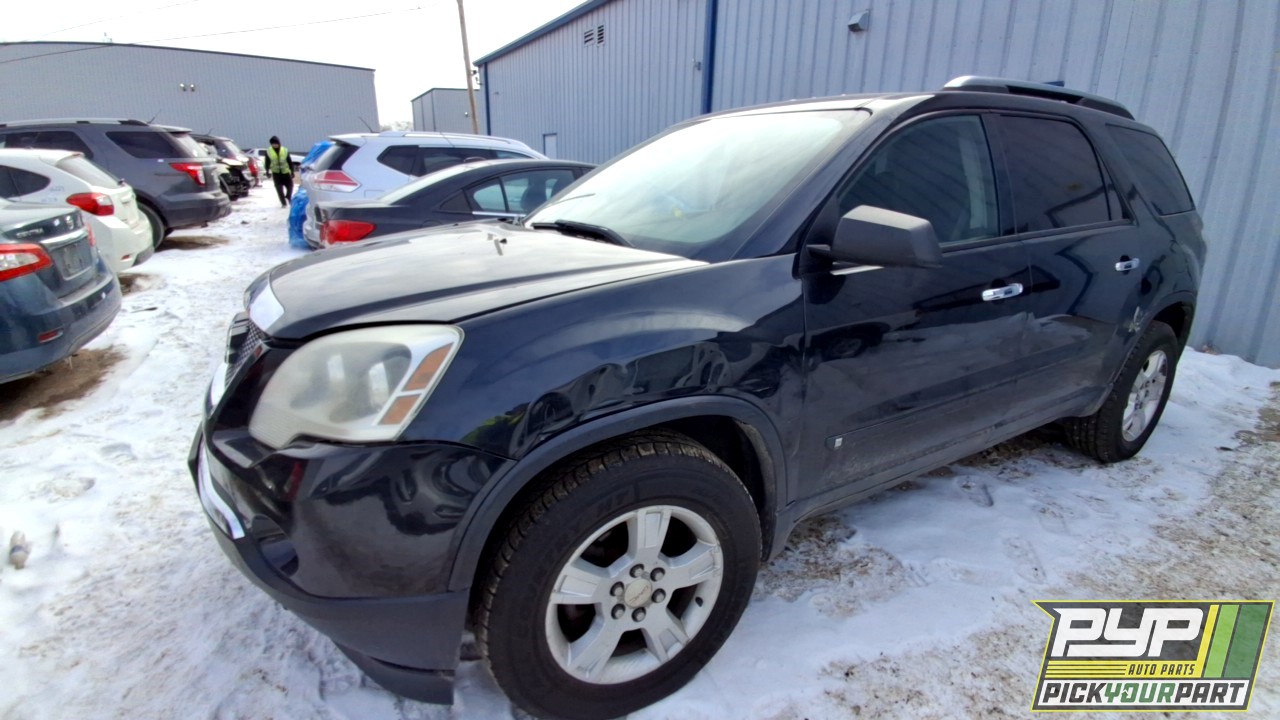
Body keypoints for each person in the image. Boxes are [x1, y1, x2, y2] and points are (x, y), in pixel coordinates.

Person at [265, 136, 293, 208]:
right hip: (276, 173)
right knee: (279, 189)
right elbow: (267, 162)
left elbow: (289, 161)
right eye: (273, 144)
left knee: (290, 186)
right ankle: (283, 203)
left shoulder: (285, 150)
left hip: (285, 172)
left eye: (276, 143)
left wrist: (292, 171)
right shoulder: (269, 151)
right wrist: (267, 171)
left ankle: (288, 196)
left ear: (279, 143)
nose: (274, 145)